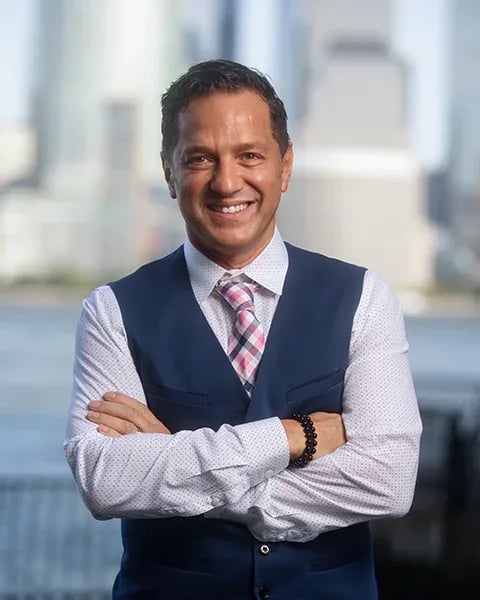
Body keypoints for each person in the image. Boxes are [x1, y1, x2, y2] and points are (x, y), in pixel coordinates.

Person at [65, 59, 422, 600]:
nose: (227, 181)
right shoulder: (112, 311)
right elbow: (106, 480)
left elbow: (389, 481)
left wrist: (178, 464)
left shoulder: (364, 298)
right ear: (169, 172)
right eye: (200, 158)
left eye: (249, 155)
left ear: (284, 167)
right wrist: (291, 437)